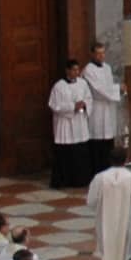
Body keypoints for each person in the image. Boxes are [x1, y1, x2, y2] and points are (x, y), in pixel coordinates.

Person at [49, 59, 95, 188]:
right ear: (67, 70)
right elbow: (54, 105)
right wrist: (72, 107)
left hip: (79, 123)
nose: (76, 72)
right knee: (65, 154)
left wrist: (84, 104)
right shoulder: (59, 86)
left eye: (77, 69)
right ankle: (63, 181)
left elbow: (89, 98)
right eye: (74, 69)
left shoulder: (83, 83)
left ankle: (81, 180)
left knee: (80, 153)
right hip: (65, 125)